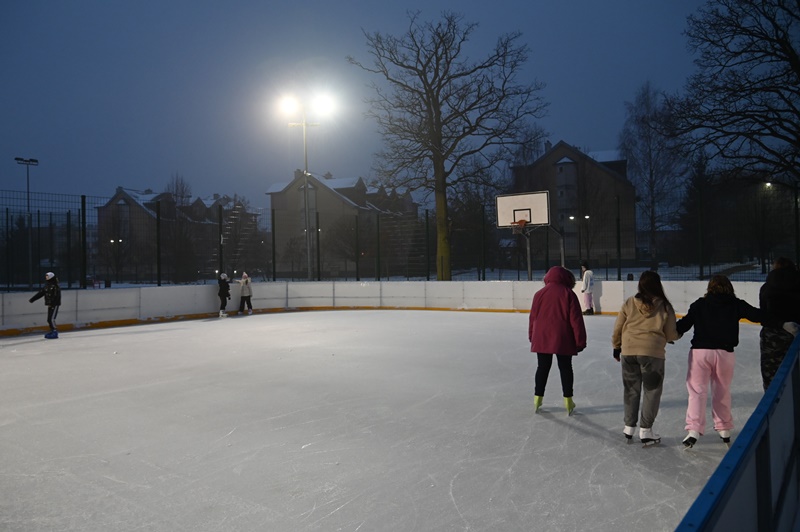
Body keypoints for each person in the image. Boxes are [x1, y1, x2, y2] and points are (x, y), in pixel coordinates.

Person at [676, 275, 764, 448]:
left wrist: (667, 334)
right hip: (725, 354)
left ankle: (694, 429)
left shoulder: (699, 305)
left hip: (700, 353)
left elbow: (683, 325)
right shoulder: (736, 304)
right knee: (722, 390)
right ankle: (724, 428)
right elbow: (757, 315)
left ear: (709, 288)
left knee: (697, 391)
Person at [611, 270, 679, 445]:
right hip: (652, 354)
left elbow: (618, 327)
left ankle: (628, 427)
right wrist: (671, 337)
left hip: (629, 351)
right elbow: (671, 334)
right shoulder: (665, 306)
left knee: (631, 390)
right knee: (652, 390)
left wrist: (616, 347)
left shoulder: (629, 303)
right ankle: (646, 430)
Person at [529, 266, 587, 416]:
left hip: (541, 336)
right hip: (563, 337)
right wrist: (580, 341)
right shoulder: (569, 294)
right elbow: (576, 320)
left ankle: (537, 398)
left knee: (542, 367)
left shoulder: (539, 294)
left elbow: (533, 318)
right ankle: (568, 400)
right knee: (566, 368)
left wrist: (532, 336)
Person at [759, 257, 800, 391]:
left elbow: (763, 315)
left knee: (771, 375)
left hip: (773, 336)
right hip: (796, 333)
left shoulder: (767, 288)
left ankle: (774, 406)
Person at [29, 271, 62, 339]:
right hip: (50, 304)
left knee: (51, 319)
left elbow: (56, 296)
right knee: (48, 319)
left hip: (54, 305)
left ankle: (55, 331)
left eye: (47, 276)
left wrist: (53, 304)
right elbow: (40, 293)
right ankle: (52, 330)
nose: (46, 278)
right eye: (46, 276)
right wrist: (32, 299)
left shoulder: (55, 286)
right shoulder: (47, 286)